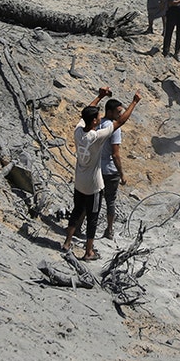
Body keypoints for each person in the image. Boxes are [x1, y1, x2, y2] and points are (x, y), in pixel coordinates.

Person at [64, 88, 141, 261]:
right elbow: (120, 121)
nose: (100, 118)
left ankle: (67, 242)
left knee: (76, 211)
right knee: (93, 217)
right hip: (93, 185)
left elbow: (86, 112)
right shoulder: (97, 136)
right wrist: (134, 102)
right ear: (93, 122)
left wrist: (100, 96)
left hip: (79, 181)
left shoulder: (78, 132)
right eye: (97, 117)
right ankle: (88, 251)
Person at [95, 99, 128, 240]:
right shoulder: (114, 128)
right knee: (110, 201)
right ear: (110, 112)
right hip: (110, 170)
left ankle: (79, 227)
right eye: (118, 112)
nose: (120, 115)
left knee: (93, 200)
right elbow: (115, 154)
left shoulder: (97, 124)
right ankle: (109, 230)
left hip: (97, 168)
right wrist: (122, 174)